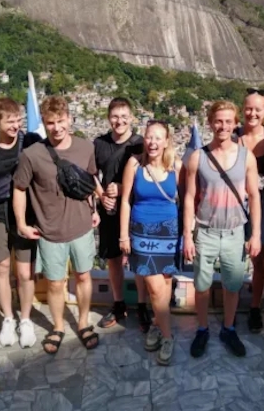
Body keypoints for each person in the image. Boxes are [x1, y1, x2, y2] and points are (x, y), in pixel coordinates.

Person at [13, 96, 101, 354]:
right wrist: (21, 223)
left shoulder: (86, 147)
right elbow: (19, 188)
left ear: (69, 119)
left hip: (82, 226)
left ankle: (84, 322)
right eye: (50, 123)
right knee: (54, 283)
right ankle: (59, 326)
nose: (57, 127)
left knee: (84, 276)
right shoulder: (32, 155)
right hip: (49, 231)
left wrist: (95, 209)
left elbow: (90, 179)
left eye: (61, 121)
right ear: (44, 123)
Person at [183, 101, 261, 358]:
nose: (223, 126)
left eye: (228, 121)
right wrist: (187, 236)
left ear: (235, 123)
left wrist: (256, 234)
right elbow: (189, 197)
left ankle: (228, 327)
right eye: (218, 121)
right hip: (205, 230)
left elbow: (254, 195)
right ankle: (203, 328)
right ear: (210, 122)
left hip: (235, 232)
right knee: (202, 286)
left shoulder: (246, 156)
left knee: (232, 286)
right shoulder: (198, 157)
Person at [0, 97, 42, 349]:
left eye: (18, 120)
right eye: (9, 121)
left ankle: (25, 319)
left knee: (25, 271)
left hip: (24, 214)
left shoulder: (30, 141)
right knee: (2, 267)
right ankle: (8, 319)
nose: (15, 125)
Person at [119, 120, 182, 365]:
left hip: (169, 232)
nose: (153, 142)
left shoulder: (176, 165)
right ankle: (168, 336)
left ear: (166, 141)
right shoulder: (134, 164)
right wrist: (123, 235)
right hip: (141, 232)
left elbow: (187, 198)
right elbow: (126, 200)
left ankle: (157, 324)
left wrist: (188, 232)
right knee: (155, 288)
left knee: (165, 284)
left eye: (158, 138)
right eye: (149, 137)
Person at [94, 98, 149, 331]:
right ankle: (118, 304)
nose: (119, 121)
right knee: (113, 259)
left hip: (133, 207)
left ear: (132, 118)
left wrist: (119, 186)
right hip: (108, 209)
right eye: (115, 116)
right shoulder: (99, 143)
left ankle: (143, 305)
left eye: (124, 116)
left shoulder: (139, 144)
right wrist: (100, 194)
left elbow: (147, 175)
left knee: (137, 259)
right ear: (109, 118)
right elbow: (91, 173)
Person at [233, 88, 264, 333]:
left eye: (258, 109)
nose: (252, 113)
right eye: (248, 108)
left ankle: (255, 307)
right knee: (234, 261)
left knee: (259, 260)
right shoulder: (232, 137)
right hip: (235, 205)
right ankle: (233, 305)